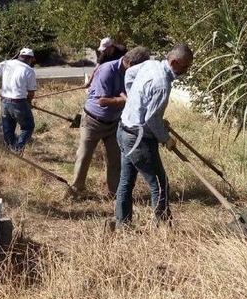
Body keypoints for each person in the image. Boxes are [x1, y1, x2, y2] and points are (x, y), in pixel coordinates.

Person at [114, 43, 194, 229]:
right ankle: (164, 229)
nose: (186, 70)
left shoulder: (151, 65)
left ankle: (122, 224)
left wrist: (136, 102)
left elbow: (129, 74)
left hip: (124, 130)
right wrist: (165, 138)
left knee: (126, 181)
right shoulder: (162, 85)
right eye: (185, 66)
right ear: (174, 62)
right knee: (159, 184)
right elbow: (151, 119)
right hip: (138, 139)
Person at [69, 46, 151, 195]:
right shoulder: (108, 70)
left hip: (114, 122)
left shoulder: (129, 72)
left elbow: (124, 92)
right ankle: (75, 190)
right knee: (84, 156)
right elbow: (102, 101)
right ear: (131, 64)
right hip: (93, 120)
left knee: (115, 159)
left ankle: (114, 192)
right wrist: (127, 100)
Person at [0, 47, 38, 152]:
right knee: (28, 127)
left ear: (19, 56)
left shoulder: (7, 63)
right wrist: (28, 103)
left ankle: (10, 151)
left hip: (5, 102)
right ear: (31, 58)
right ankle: (18, 149)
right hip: (18, 103)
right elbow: (31, 93)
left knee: (8, 130)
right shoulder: (29, 70)